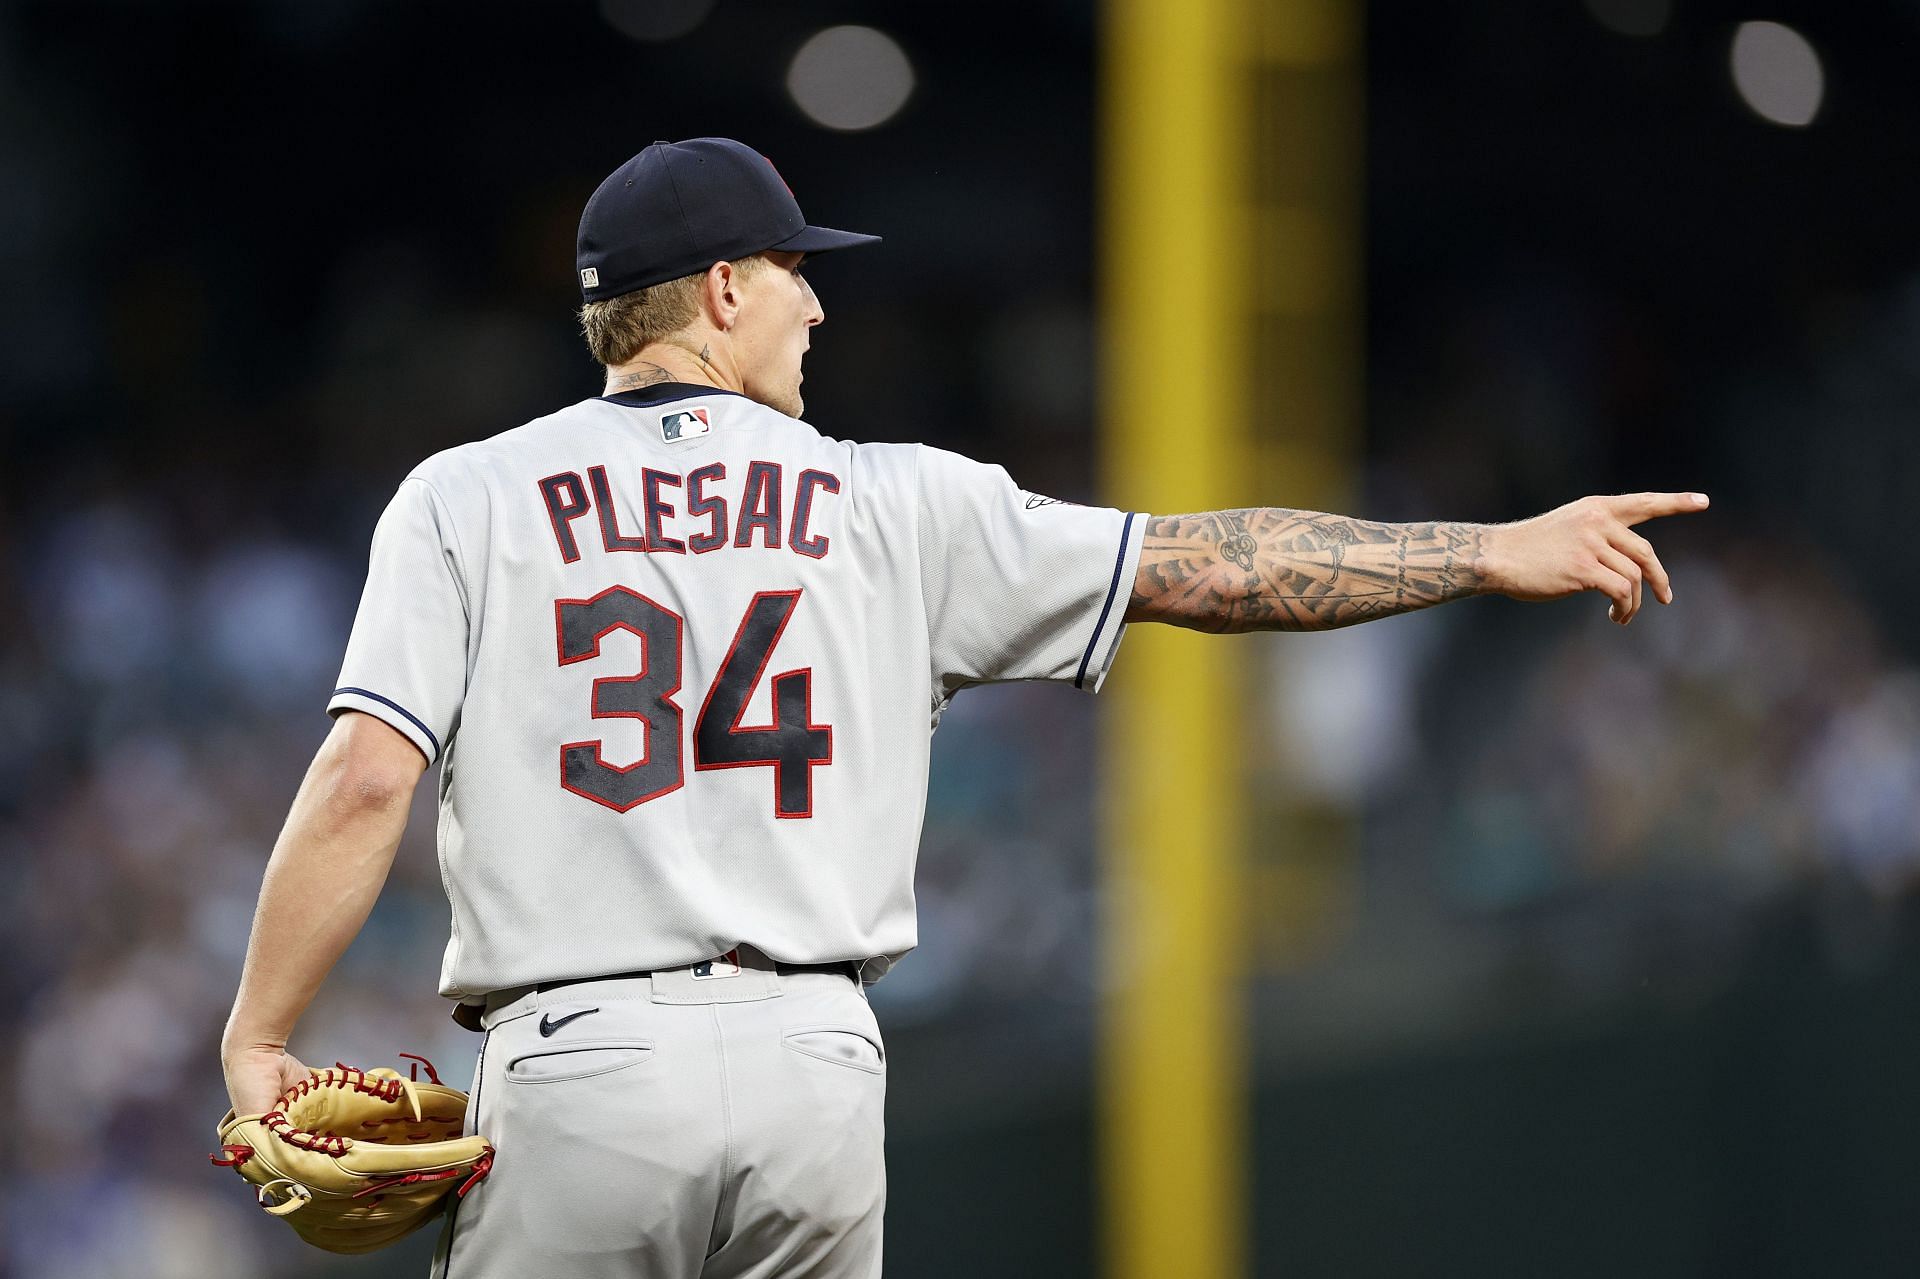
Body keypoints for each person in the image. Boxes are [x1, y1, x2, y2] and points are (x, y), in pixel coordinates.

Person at [219, 137, 1706, 1278]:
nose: (816, 300)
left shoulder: (468, 496)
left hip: (583, 1059)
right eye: (795, 270)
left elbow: (364, 778)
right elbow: (1207, 568)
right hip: (816, 1076)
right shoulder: (895, 501)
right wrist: (1487, 550)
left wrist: (259, 1043)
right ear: (724, 290)